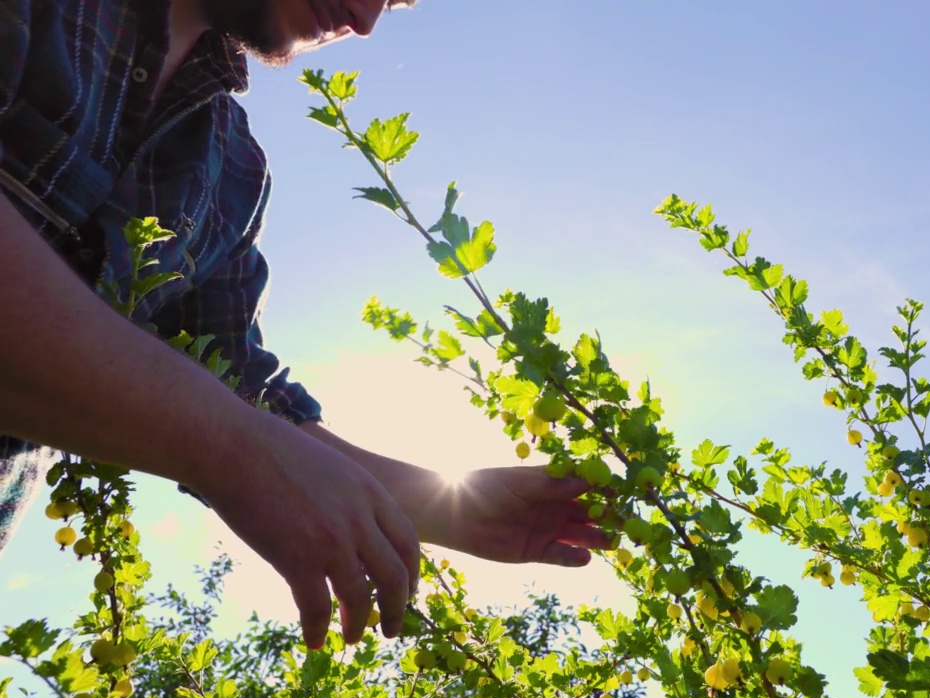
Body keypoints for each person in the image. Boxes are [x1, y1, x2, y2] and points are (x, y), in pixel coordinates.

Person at [0, 0, 609, 651]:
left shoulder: (231, 168)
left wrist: (445, 505)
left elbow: (238, 390)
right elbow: (236, 432)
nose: (367, 19)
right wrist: (231, 452)